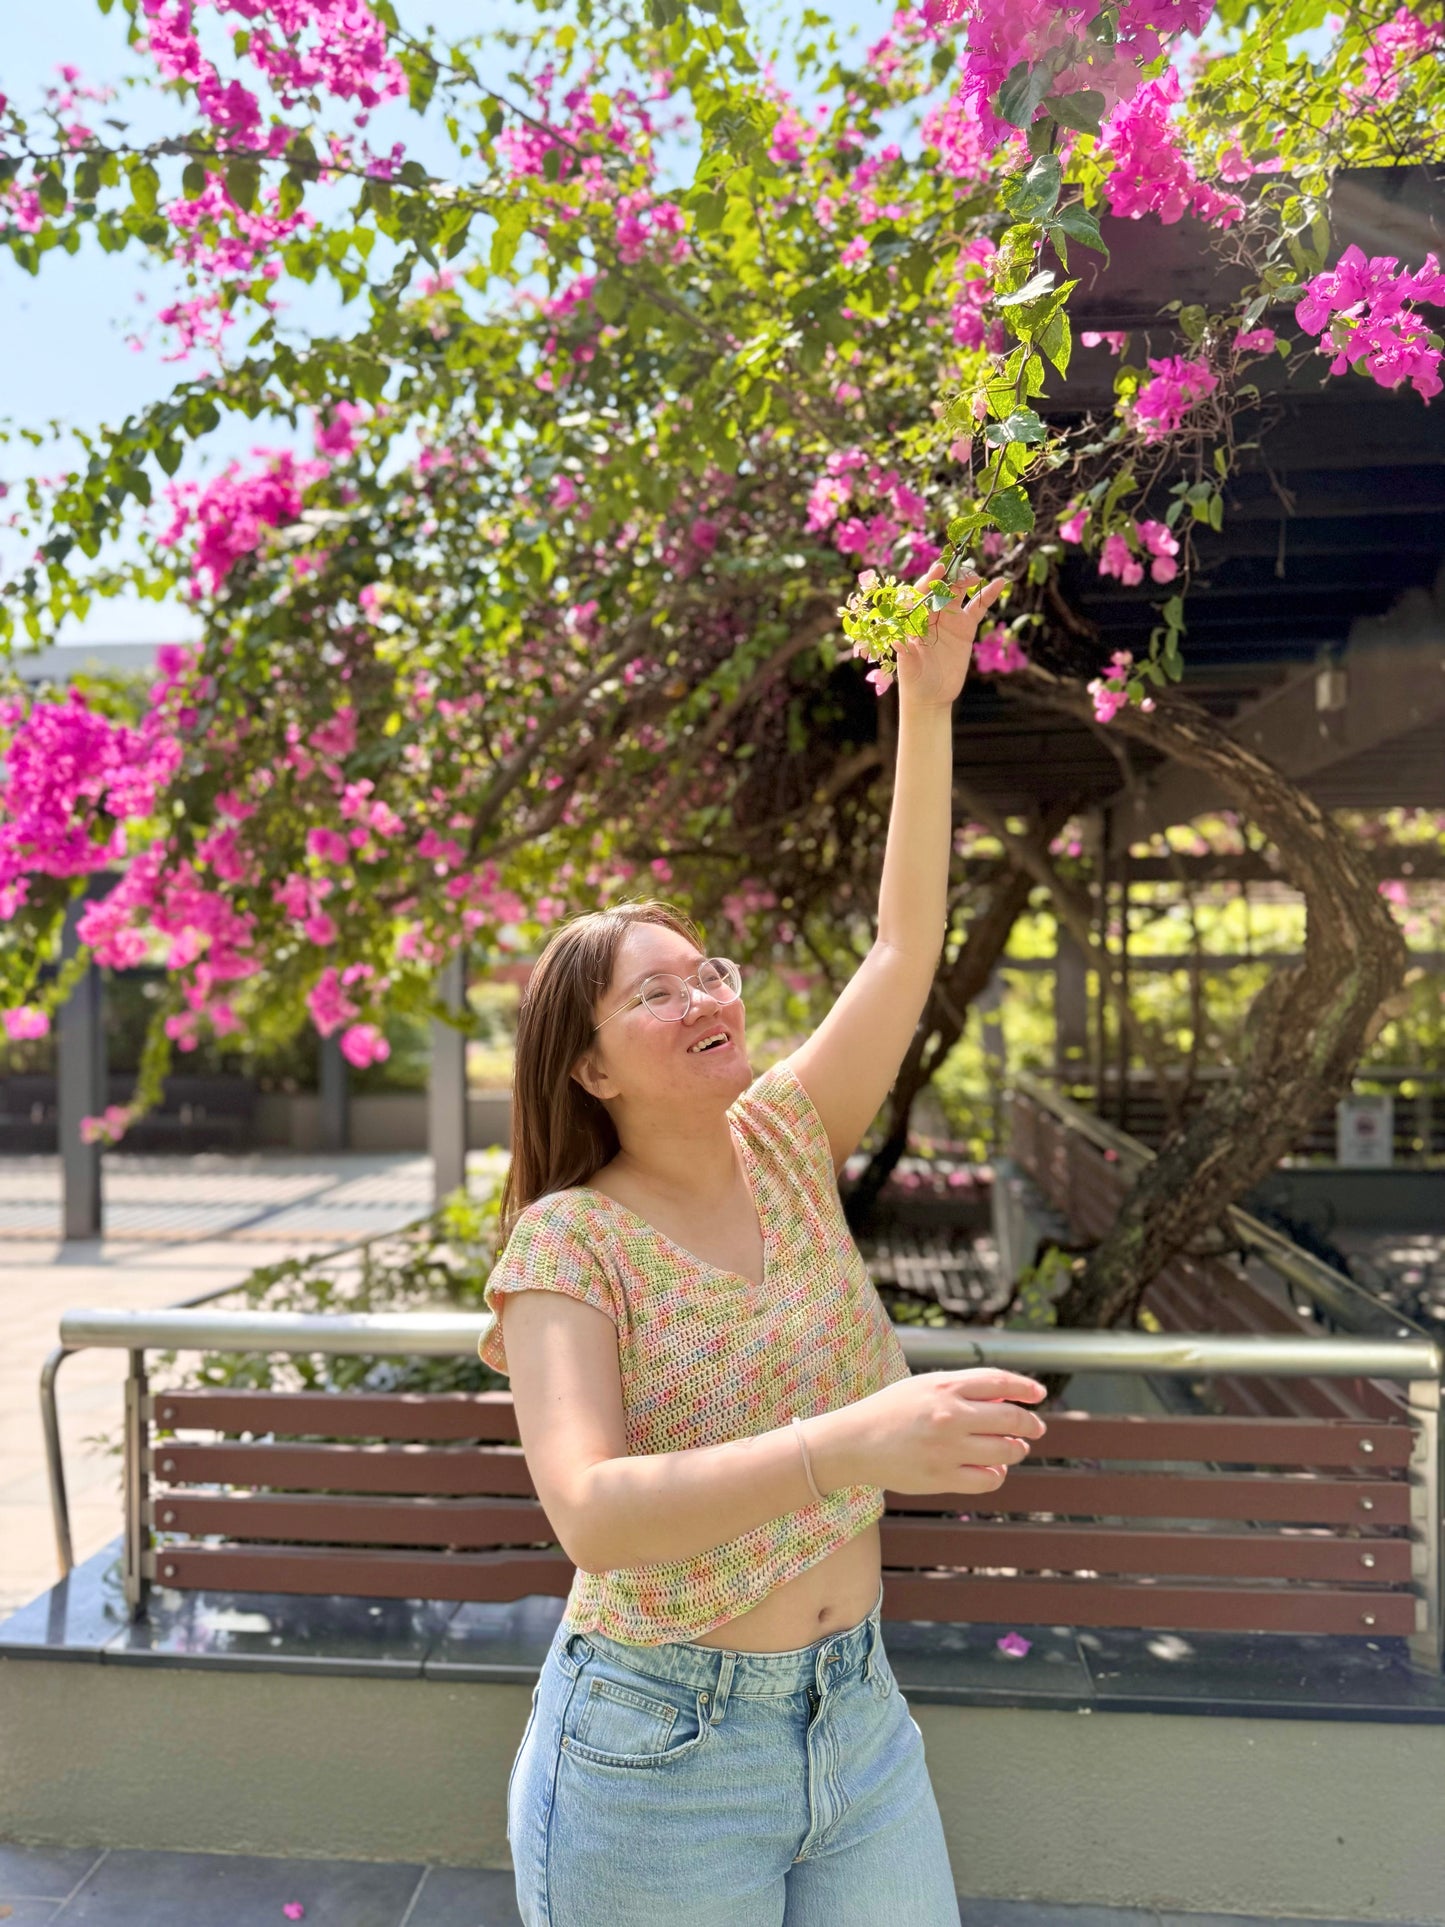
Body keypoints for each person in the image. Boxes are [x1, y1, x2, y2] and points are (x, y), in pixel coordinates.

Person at [478, 565, 1049, 1926]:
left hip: (856, 1716)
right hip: (656, 1753)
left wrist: (925, 706)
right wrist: (848, 1444)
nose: (704, 997)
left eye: (709, 973)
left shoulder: (786, 1141)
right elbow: (590, 1510)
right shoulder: (569, 1245)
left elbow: (903, 947)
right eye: (655, 994)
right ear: (590, 1070)